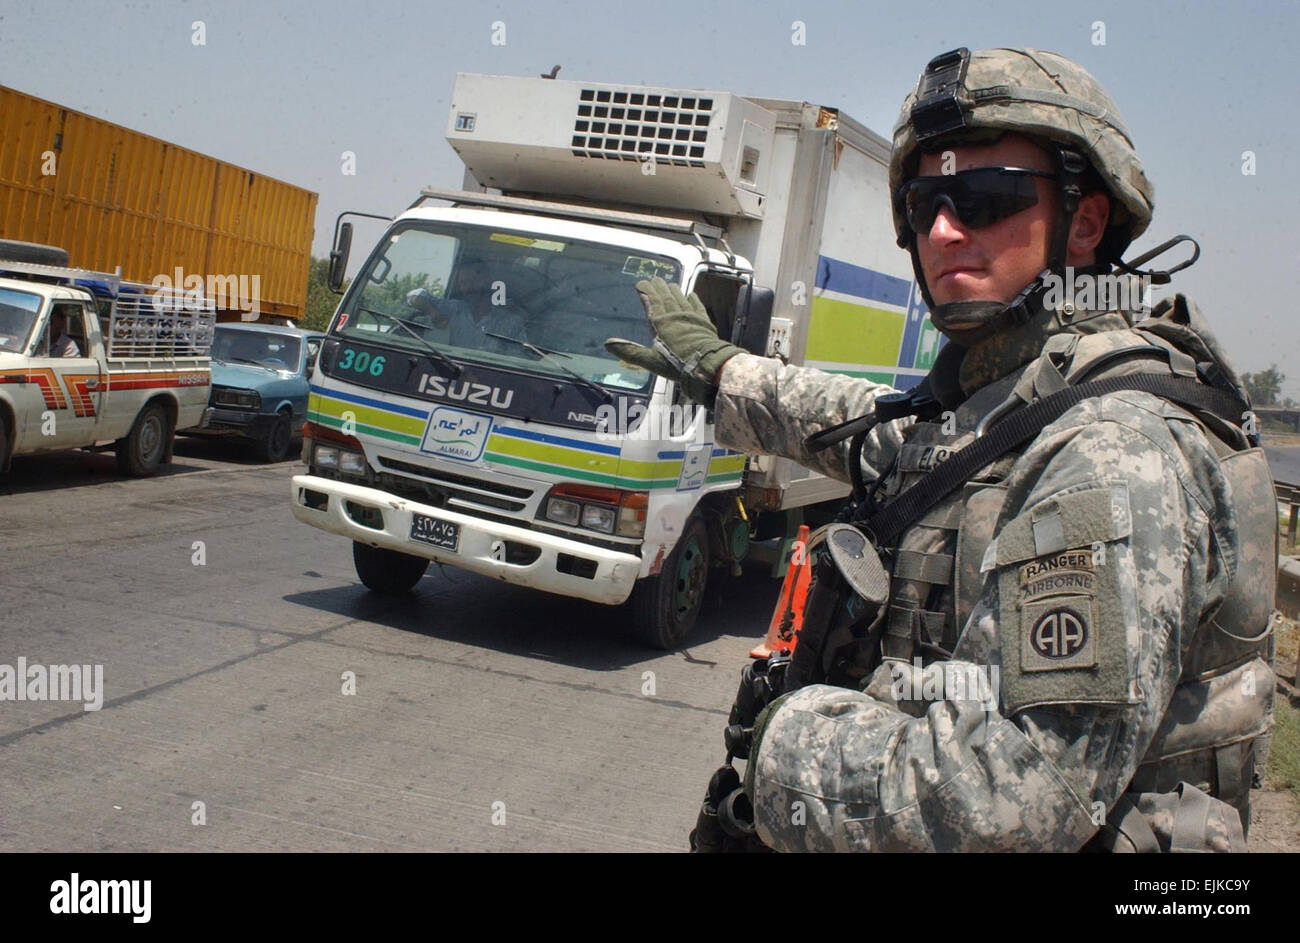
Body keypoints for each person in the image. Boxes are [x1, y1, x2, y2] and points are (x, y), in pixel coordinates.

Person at [607, 47, 1275, 852]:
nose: (946, 230)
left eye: (986, 197)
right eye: (925, 204)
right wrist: (724, 372)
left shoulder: (1111, 448)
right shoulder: (1007, 403)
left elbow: (1011, 796)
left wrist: (782, 742)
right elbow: (886, 435)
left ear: (1087, 221)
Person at [423, 260, 527, 355]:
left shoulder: (511, 322)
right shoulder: (453, 308)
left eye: (473, 281)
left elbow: (518, 359)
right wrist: (433, 312)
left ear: (489, 281)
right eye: (464, 283)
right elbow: (415, 296)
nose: (469, 287)